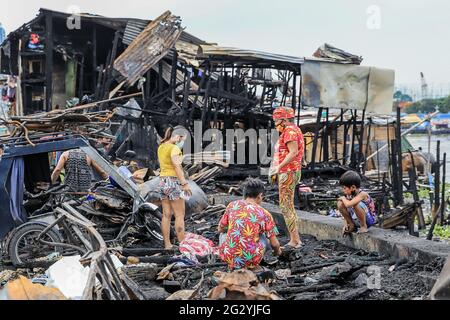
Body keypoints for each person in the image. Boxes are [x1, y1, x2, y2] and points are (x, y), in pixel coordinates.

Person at [218, 178, 282, 271]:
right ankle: (253, 266)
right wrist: (277, 252)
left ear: (245, 194)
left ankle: (232, 264)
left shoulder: (232, 205)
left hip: (228, 256)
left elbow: (220, 229)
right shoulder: (264, 213)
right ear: (260, 196)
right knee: (263, 236)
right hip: (250, 259)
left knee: (223, 234)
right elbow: (275, 244)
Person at [271, 106, 304, 249]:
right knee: (288, 205)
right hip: (291, 171)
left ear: (283, 120)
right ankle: (295, 238)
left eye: (276, 120)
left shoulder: (289, 131)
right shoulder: (295, 129)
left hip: (288, 172)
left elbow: (293, 152)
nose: (275, 123)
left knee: (286, 206)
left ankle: (295, 240)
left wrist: (278, 168)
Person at [157, 126, 192, 250]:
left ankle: (167, 245)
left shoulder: (161, 146)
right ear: (178, 136)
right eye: (182, 139)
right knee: (179, 215)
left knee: (166, 215)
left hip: (162, 181)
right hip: (173, 181)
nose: (181, 142)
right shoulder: (174, 148)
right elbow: (177, 167)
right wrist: (184, 184)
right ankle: (183, 245)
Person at [337, 171, 377, 235]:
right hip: (355, 219)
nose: (343, 190)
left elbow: (348, 205)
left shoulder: (362, 194)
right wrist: (346, 224)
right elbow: (344, 211)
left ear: (353, 187)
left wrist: (343, 198)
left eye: (344, 188)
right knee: (340, 203)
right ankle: (351, 224)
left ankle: (363, 227)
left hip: (368, 220)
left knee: (356, 204)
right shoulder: (349, 195)